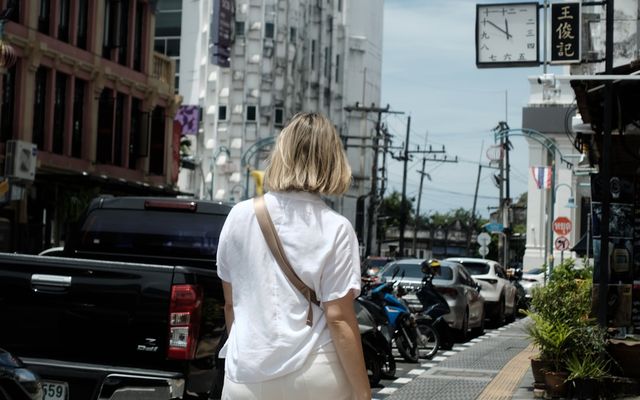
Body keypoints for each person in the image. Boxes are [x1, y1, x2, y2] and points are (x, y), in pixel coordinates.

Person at [216, 112, 371, 400]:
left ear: (281, 155)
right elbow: (338, 318)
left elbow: (230, 304)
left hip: (246, 377)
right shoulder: (336, 228)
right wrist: (363, 393)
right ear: (332, 161)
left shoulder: (238, 216)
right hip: (315, 374)